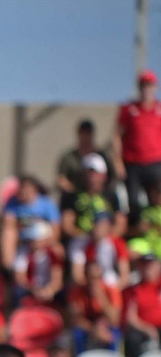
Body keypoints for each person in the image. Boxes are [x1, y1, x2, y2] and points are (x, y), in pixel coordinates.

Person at [68, 212, 128, 350]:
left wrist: (103, 294)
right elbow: (77, 275)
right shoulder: (81, 243)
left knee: (114, 328)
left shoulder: (117, 244)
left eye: (102, 225)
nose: (98, 228)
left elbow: (124, 276)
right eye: (96, 224)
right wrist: (93, 328)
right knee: (77, 332)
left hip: (111, 289)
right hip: (87, 294)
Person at [113, 70, 161, 211]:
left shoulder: (159, 109)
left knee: (156, 200)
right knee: (133, 202)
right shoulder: (129, 109)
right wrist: (118, 162)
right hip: (133, 164)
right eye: (143, 85)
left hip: (155, 163)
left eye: (149, 85)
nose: (146, 89)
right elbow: (117, 135)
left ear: (155, 87)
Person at [61, 155, 126, 241]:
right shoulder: (72, 197)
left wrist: (104, 236)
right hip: (81, 241)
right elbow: (67, 226)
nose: (91, 177)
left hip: (106, 239)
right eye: (88, 173)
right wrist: (87, 237)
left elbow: (120, 224)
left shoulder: (112, 196)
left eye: (95, 173)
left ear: (104, 175)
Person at [0, 175, 59, 266]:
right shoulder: (12, 203)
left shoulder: (47, 204)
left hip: (42, 240)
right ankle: (7, 268)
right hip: (22, 240)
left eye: (25, 188)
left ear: (33, 190)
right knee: (8, 232)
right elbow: (8, 223)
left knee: (57, 252)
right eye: (20, 188)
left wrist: (44, 242)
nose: (21, 191)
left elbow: (56, 229)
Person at [56, 119, 111, 199]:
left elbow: (111, 177)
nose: (85, 137)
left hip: (99, 198)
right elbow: (61, 179)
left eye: (88, 133)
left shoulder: (101, 156)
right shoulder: (69, 157)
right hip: (74, 198)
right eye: (83, 133)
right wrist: (76, 192)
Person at [124, 252, 161, 357]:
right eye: (144, 265)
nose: (147, 268)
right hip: (144, 329)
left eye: (151, 265)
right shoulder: (135, 290)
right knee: (132, 338)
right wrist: (147, 329)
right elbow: (131, 317)